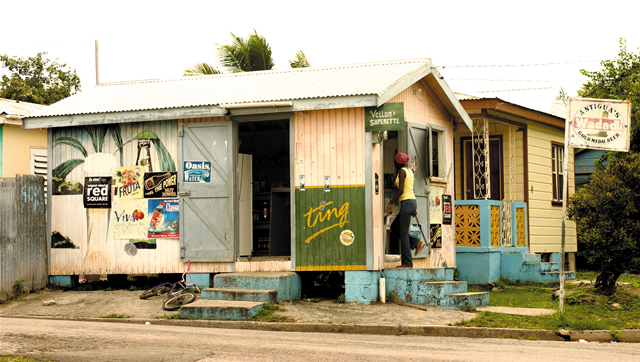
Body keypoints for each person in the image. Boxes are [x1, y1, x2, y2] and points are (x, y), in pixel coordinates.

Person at [386, 152, 426, 269]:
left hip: (407, 202)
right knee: (394, 227)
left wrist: (390, 202)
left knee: (403, 233)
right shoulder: (410, 171)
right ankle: (415, 242)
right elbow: (411, 189)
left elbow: (401, 190)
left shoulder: (402, 171)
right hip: (411, 202)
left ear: (396, 163)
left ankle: (407, 263)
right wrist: (414, 209)